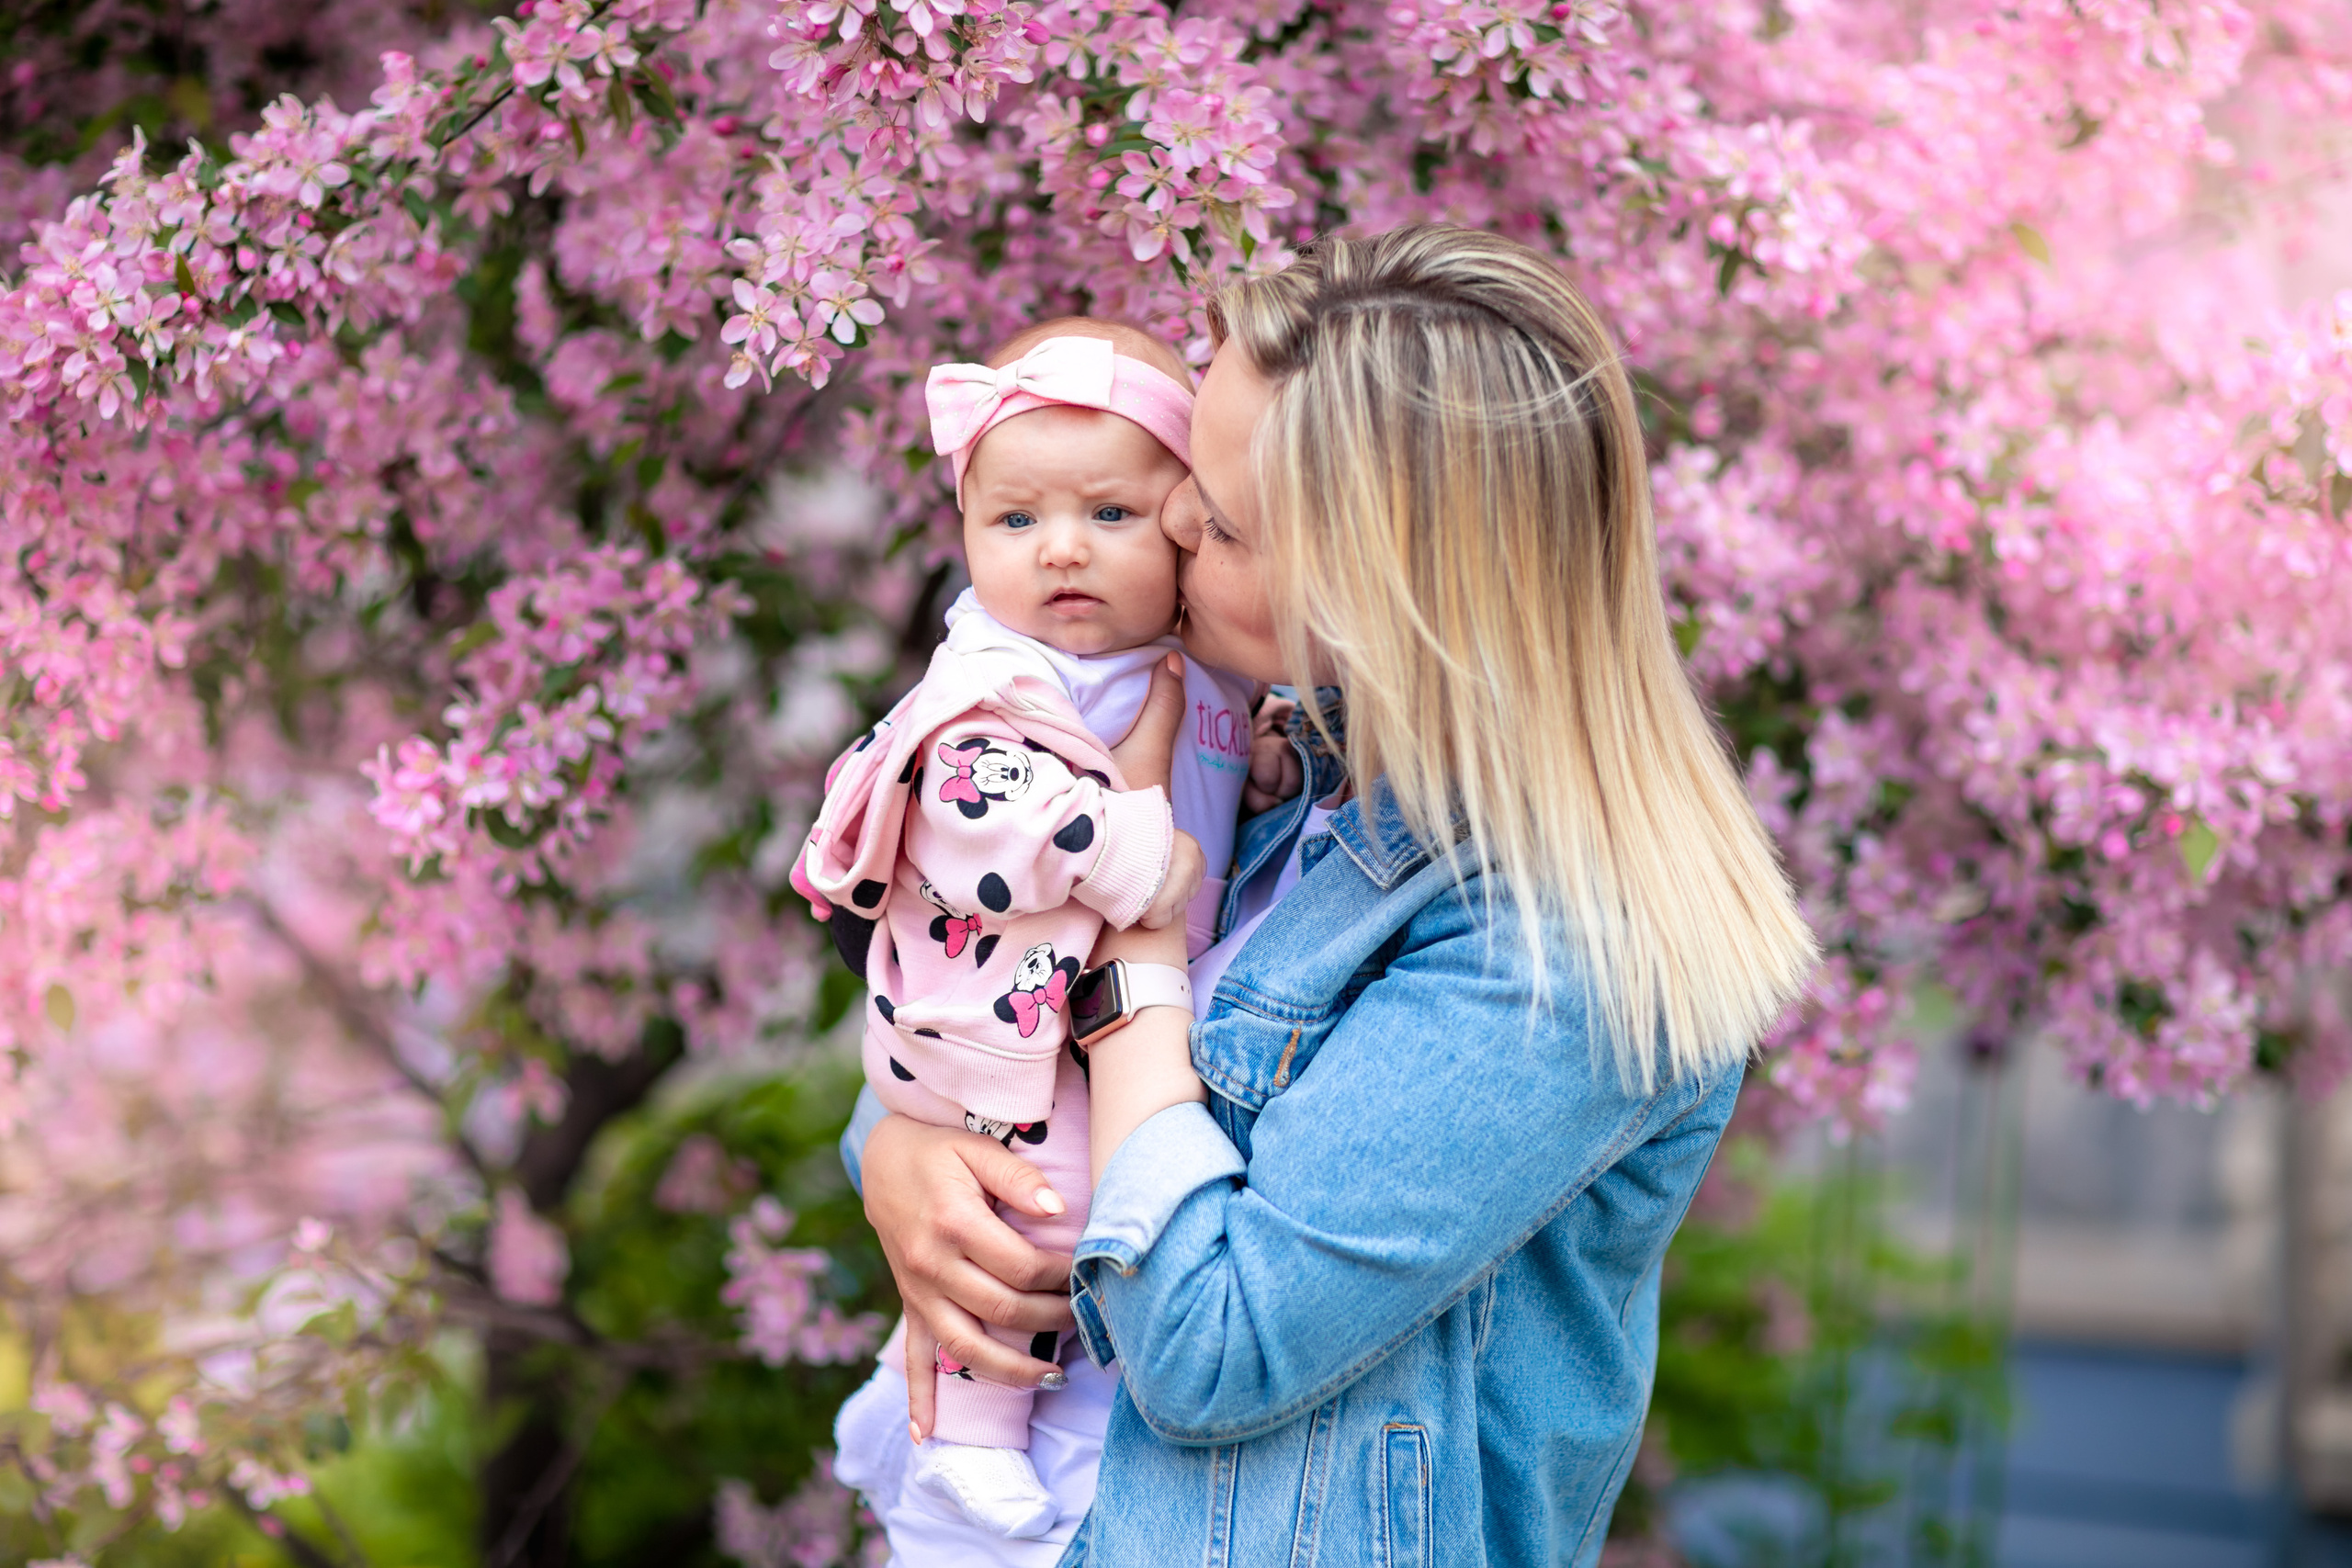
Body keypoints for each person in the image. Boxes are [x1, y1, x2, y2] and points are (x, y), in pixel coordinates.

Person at [849, 224, 1818, 1566]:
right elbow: (977, 1026)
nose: (1174, 521)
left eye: (1226, 521)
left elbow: (1209, 1346)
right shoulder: (1281, 776)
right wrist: (899, 1161)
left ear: (1385, 588)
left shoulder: (1557, 943)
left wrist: (1134, 950)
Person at [795, 317, 1253, 1540]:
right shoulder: (993, 676)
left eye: (1110, 516)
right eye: (1015, 521)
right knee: (1029, 1207)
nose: (1063, 552)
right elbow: (990, 817)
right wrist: (1129, 854)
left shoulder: (1195, 662)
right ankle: (971, 1435)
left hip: (1140, 1014)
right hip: (1013, 1013)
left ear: (1187, 522)